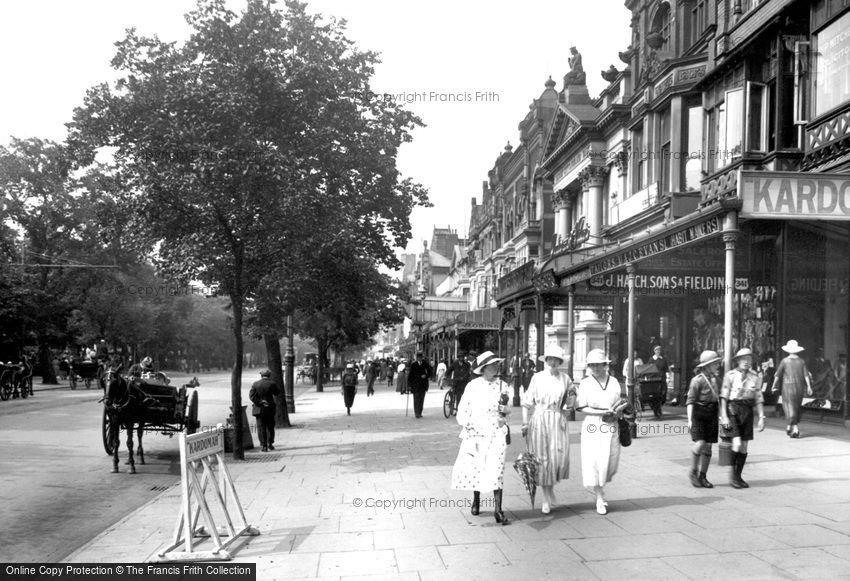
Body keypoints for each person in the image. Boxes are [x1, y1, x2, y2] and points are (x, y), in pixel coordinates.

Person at [450, 351, 512, 525]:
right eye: (492, 365)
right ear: (484, 368)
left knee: (497, 468)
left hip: (496, 431)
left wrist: (504, 412)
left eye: (497, 364)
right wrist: (468, 424)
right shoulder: (473, 386)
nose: (496, 367)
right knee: (478, 467)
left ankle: (498, 510)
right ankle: (476, 500)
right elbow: (463, 409)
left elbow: (507, 410)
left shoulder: (503, 386)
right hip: (477, 431)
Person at [521, 344, 574, 514]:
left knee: (558, 456)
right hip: (540, 418)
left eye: (556, 359)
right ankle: (545, 497)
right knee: (542, 458)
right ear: (546, 360)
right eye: (550, 359)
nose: (552, 362)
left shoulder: (565, 378)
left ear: (559, 361)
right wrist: (524, 422)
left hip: (557, 419)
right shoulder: (537, 377)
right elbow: (527, 402)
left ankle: (550, 489)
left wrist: (568, 407)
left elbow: (572, 398)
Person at [576, 348, 624, 515]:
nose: (596, 368)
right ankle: (599, 496)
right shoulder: (585, 383)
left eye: (599, 365)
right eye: (592, 365)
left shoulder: (614, 382)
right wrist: (601, 412)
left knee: (611, 460)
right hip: (593, 424)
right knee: (596, 461)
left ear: (605, 365)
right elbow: (581, 407)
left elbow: (619, 402)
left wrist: (619, 411)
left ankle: (601, 488)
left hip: (611, 424)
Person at [720, 348, 765, 489]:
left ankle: (738, 475)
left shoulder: (755, 376)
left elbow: (758, 397)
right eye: (743, 359)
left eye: (749, 359)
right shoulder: (730, 375)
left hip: (747, 411)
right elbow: (724, 397)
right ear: (738, 361)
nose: (746, 362)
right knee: (737, 443)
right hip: (733, 409)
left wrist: (762, 417)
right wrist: (724, 417)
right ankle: (733, 475)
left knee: (744, 447)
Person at [686, 350, 722, 488]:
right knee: (700, 443)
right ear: (706, 365)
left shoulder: (717, 379)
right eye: (714, 363)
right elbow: (690, 401)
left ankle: (703, 476)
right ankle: (693, 472)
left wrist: (722, 415)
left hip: (712, 413)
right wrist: (690, 420)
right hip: (699, 414)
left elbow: (720, 398)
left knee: (708, 447)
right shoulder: (697, 381)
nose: (717, 365)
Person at [771, 340, 812, 438]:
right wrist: (809, 386)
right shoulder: (801, 361)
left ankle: (794, 428)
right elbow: (806, 375)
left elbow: (778, 374)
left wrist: (774, 385)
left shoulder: (785, 361)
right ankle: (791, 426)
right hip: (799, 387)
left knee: (789, 407)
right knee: (796, 407)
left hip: (787, 387)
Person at [249, 369, 280, 452]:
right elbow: (277, 393)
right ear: (269, 375)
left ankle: (264, 446)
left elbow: (251, 396)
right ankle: (270, 444)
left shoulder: (255, 384)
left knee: (261, 427)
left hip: (259, 409)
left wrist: (260, 402)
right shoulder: (272, 383)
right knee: (270, 426)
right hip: (269, 408)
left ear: (261, 376)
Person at [407, 351, 433, 418]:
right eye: (418, 357)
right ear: (417, 358)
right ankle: (416, 413)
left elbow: (430, 372)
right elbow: (410, 375)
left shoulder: (425, 364)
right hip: (415, 384)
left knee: (421, 399)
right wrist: (409, 385)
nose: (420, 358)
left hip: (423, 385)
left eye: (421, 357)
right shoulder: (413, 364)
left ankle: (420, 412)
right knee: (416, 399)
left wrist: (426, 375)